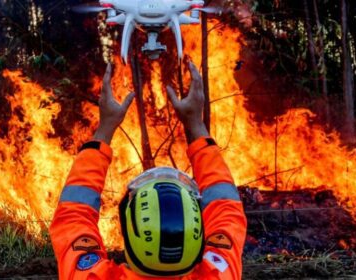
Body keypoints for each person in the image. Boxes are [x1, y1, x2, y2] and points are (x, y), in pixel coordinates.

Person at [49, 61, 247, 279]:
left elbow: (73, 215)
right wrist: (195, 124)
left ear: (127, 231)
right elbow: (225, 207)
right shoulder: (218, 274)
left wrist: (105, 128)